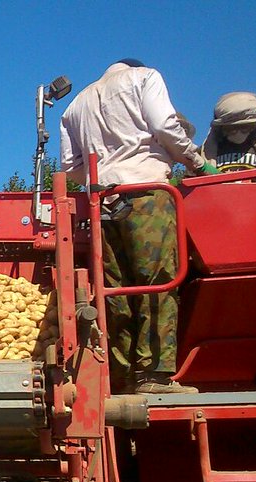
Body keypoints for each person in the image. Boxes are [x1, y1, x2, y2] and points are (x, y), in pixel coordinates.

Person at [59, 59, 212, 395]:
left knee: (116, 288)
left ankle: (124, 374)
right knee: (158, 281)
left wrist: (108, 174)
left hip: (104, 203)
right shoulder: (144, 78)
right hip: (148, 195)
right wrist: (198, 163)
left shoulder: (75, 105)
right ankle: (155, 376)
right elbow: (165, 126)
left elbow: (70, 167)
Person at [201, 92, 256, 175]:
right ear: (221, 128)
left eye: (245, 128)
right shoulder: (203, 153)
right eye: (232, 128)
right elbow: (189, 183)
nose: (238, 133)